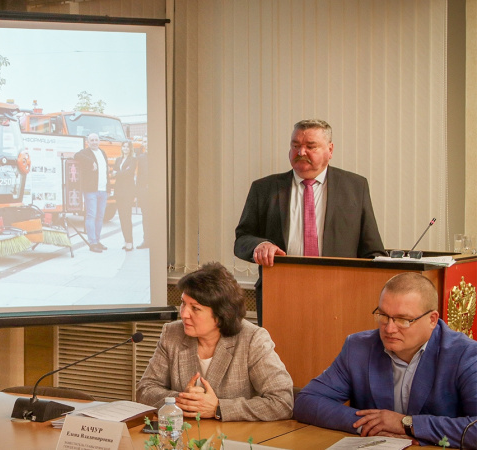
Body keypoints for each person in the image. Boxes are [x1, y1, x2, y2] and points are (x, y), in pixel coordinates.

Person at [294, 273, 477, 447]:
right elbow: (307, 401)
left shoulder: (464, 354)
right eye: (383, 316)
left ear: (432, 319)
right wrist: (373, 425)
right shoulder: (358, 347)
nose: (389, 329)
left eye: (403, 319)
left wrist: (407, 424)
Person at [234, 119, 385, 325]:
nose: (301, 152)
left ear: (330, 150)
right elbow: (242, 239)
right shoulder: (265, 189)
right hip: (280, 296)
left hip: (340, 298)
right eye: (295, 145)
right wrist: (260, 245)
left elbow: (372, 250)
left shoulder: (355, 187)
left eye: (310, 146)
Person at [136, 263, 294, 421]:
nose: (183, 314)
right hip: (185, 435)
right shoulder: (172, 334)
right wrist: (183, 400)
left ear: (222, 314)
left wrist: (218, 408)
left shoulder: (252, 339)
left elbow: (282, 401)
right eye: (183, 303)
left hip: (236, 439)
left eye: (195, 308)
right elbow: (145, 390)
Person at [75, 133, 109, 253]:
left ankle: (97, 240)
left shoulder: (103, 153)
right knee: (91, 216)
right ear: (88, 142)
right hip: (91, 191)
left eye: (96, 140)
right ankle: (92, 242)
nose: (94, 142)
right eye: (92, 140)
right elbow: (76, 155)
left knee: (100, 217)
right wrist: (90, 162)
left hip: (103, 190)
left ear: (99, 141)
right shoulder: (85, 153)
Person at [113, 141, 137, 251]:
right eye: (124, 146)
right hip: (119, 192)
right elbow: (116, 171)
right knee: (122, 218)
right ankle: (126, 240)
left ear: (130, 148)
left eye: (128, 147)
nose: (125, 148)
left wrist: (118, 173)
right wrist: (121, 172)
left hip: (128, 192)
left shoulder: (133, 160)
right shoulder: (118, 160)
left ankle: (130, 242)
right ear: (121, 148)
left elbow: (129, 173)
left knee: (127, 217)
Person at [135, 136, 150, 249]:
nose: (147, 143)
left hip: (157, 192)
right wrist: (138, 193)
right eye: (145, 142)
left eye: (148, 141)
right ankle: (147, 240)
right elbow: (138, 176)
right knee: (146, 217)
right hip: (144, 192)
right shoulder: (140, 158)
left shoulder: (160, 156)